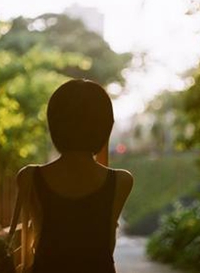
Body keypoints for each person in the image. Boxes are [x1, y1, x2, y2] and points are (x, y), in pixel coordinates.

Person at [15, 79, 133, 273]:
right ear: (105, 127)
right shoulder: (121, 180)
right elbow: (107, 244)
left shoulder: (29, 176)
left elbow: (35, 238)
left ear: (54, 123)